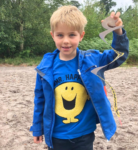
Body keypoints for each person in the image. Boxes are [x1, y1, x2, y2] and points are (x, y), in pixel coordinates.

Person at [30, 5, 129, 150]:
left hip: (84, 135)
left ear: (81, 36)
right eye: (60, 35)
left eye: (72, 35)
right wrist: (37, 128)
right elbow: (40, 99)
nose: (65, 41)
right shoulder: (45, 67)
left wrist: (117, 31)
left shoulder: (93, 60)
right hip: (56, 135)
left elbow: (119, 56)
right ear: (52, 35)